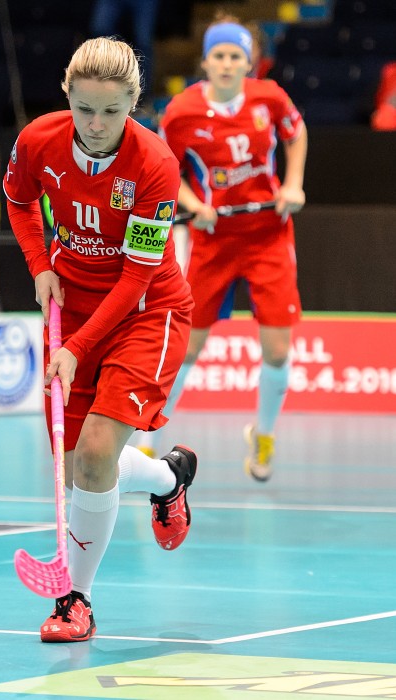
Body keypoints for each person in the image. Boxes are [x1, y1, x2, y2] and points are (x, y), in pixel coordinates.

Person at [4, 36, 198, 643]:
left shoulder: (154, 163)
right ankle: (169, 478)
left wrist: (77, 348)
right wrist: (40, 263)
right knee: (81, 472)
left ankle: (74, 602)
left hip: (146, 312)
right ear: (67, 94)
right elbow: (18, 199)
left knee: (93, 453)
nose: (95, 124)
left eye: (111, 112)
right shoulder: (38, 138)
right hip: (72, 305)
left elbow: (138, 275)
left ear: (134, 104)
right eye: (84, 108)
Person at [139, 18, 308, 481]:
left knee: (276, 350)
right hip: (214, 242)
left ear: (248, 60)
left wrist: (292, 185)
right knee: (187, 347)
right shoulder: (180, 111)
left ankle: (264, 438)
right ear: (206, 62)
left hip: (269, 235)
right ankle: (148, 437)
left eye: (236, 56)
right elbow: (163, 168)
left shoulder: (269, 98)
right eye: (219, 56)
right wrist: (193, 204)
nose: (228, 63)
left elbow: (296, 134)